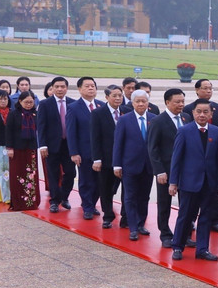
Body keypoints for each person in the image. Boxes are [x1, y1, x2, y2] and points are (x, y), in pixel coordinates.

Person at [169, 98, 218, 261]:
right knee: (185, 215)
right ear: (192, 113)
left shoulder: (217, 132)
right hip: (189, 182)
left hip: (210, 183)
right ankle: (178, 246)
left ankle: (202, 249)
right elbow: (176, 158)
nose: (202, 115)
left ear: (211, 113)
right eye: (198, 111)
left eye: (205, 112)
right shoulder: (185, 131)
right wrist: (173, 182)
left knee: (206, 217)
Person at [182, 78, 218, 234]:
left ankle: (216, 221)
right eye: (205, 88)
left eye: (210, 88)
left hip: (212, 148)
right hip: (197, 153)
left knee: (213, 196)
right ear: (197, 90)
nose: (208, 91)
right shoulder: (189, 109)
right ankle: (191, 222)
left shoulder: (217, 108)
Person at [148, 88, 191, 246]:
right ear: (167, 102)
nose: (181, 105)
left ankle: (184, 235)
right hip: (166, 170)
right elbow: (153, 149)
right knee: (165, 203)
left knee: (186, 204)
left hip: (186, 170)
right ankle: (165, 234)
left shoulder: (186, 118)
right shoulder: (158, 121)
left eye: (182, 102)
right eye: (177, 102)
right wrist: (159, 171)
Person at [112, 89, 156, 241]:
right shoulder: (124, 120)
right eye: (138, 101)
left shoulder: (153, 119)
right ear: (132, 103)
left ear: (148, 103)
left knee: (144, 196)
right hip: (129, 165)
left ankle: (141, 223)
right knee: (130, 197)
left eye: (144, 101)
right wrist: (116, 165)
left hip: (148, 166)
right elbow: (118, 144)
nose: (141, 104)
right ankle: (132, 227)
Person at [37, 76, 76, 213]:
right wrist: (42, 145)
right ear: (52, 88)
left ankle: (64, 197)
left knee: (70, 173)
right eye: (57, 87)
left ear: (67, 88)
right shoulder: (45, 104)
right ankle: (54, 201)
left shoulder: (73, 103)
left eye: (62, 86)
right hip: (52, 145)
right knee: (53, 174)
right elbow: (41, 126)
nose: (60, 89)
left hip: (69, 145)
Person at [66, 76, 104, 220]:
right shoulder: (74, 107)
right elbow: (71, 132)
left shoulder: (101, 105)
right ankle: (87, 206)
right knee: (86, 181)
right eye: (87, 86)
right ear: (80, 89)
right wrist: (74, 152)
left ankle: (93, 203)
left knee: (99, 181)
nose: (90, 88)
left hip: (100, 152)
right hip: (84, 151)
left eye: (92, 86)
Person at [91, 85, 123, 229]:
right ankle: (108, 215)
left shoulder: (126, 111)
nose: (117, 98)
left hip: (124, 158)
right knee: (106, 188)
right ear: (107, 97)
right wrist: (97, 159)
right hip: (106, 158)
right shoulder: (98, 113)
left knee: (125, 189)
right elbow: (95, 138)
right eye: (114, 96)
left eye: (119, 95)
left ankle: (127, 216)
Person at [5, 91, 40, 211]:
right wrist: (9, 148)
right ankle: (18, 202)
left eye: (31, 102)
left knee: (31, 176)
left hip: (31, 149)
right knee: (17, 175)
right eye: (26, 102)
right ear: (20, 101)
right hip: (17, 149)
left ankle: (31, 202)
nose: (29, 104)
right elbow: (8, 132)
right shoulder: (14, 114)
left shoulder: (35, 114)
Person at [0, 89, 11, 204]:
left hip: (10, 146)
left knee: (10, 171)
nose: (3, 101)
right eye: (0, 99)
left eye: (5, 98)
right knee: (2, 171)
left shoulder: (12, 112)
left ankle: (11, 194)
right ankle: (5, 196)